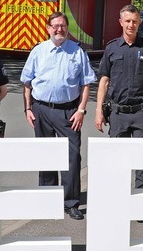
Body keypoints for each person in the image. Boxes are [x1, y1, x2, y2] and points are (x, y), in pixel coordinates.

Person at [21, 11, 97, 220]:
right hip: (42, 110)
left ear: (67, 28)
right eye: (55, 26)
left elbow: (86, 84)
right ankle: (47, 200)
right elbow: (27, 83)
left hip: (69, 111)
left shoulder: (77, 52)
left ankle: (71, 203)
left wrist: (81, 110)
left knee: (72, 158)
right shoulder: (38, 51)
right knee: (45, 156)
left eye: (62, 26)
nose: (59, 29)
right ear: (48, 28)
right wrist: (27, 109)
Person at [95, 5, 143, 217]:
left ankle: (141, 208)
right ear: (121, 22)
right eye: (127, 21)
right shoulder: (112, 48)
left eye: (134, 21)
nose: (131, 24)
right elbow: (104, 81)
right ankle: (119, 205)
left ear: (139, 22)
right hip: (118, 113)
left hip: (142, 112)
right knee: (118, 161)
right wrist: (98, 110)